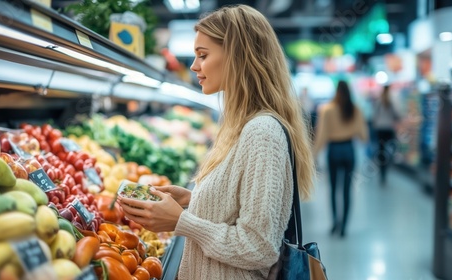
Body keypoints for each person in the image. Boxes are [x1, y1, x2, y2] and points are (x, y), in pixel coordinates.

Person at [118, 5, 315, 279]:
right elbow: (238, 207)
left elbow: (260, 248)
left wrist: (181, 222)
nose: (193, 65)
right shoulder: (240, 125)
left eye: (203, 55)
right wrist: (193, 199)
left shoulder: (262, 132)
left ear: (237, 57)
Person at [313, 80, 368, 237]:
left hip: (334, 150)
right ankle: (344, 226)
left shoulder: (327, 110)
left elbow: (322, 134)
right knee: (346, 190)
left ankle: (334, 224)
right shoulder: (355, 110)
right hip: (349, 149)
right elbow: (363, 135)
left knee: (333, 189)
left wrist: (314, 155)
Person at [372, 84, 400, 185]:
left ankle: (382, 171)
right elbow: (397, 114)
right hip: (389, 128)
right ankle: (387, 167)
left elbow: (375, 114)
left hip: (380, 129)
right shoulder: (392, 100)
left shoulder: (379, 100)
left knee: (381, 150)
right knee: (390, 150)